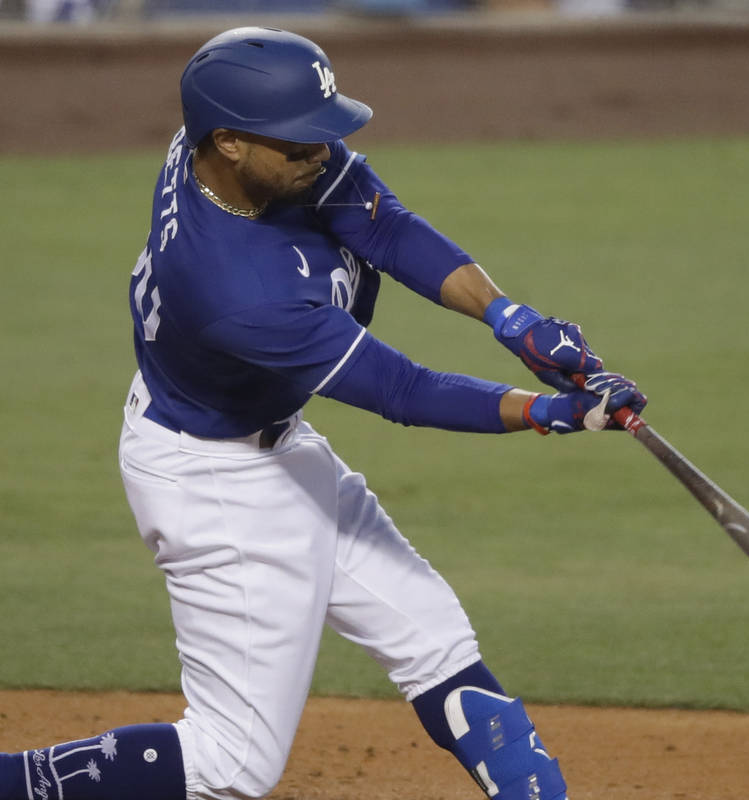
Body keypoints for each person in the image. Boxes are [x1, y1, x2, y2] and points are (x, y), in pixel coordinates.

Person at [0, 26, 645, 800]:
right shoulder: (235, 289)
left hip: (274, 445)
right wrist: (549, 410)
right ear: (231, 143)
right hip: (216, 483)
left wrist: (512, 319)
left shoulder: (232, 150)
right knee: (229, 764)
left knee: (434, 641)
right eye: (300, 142)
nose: (322, 152)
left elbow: (382, 224)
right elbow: (403, 391)